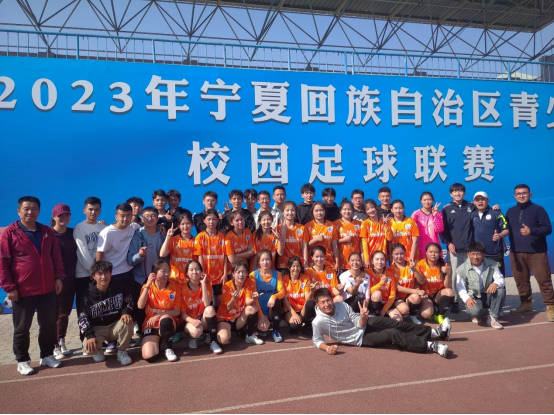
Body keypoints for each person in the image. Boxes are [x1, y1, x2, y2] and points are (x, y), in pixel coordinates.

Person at [0, 196, 65, 376]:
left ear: (39, 211)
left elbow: (56, 256)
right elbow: (3, 262)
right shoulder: (10, 233)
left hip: (47, 288)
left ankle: (46, 355)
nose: (30, 212)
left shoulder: (46, 231)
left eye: (34, 209)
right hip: (22, 290)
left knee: (48, 325)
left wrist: (59, 277)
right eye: (26, 209)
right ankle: (22, 360)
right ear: (18, 211)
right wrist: (9, 287)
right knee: (22, 328)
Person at [312, 288, 451, 358]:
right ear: (317, 304)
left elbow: (358, 323)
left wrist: (363, 317)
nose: (327, 304)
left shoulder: (342, 305)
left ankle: (436, 332)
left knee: (394, 323)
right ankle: (431, 345)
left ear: (332, 299)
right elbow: (317, 340)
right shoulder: (318, 321)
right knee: (392, 334)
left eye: (328, 300)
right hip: (359, 338)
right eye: (322, 302)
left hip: (364, 324)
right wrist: (327, 348)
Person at [506, 184, 553, 321]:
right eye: (518, 194)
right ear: (515, 196)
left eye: (524, 193)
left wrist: (531, 231)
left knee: (544, 280)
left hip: (536, 252)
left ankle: (551, 306)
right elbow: (505, 227)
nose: (521, 195)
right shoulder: (510, 211)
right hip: (516, 253)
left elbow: (548, 229)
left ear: (530, 194)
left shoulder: (539, 210)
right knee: (521, 281)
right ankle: (526, 305)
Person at [79, 260, 134, 366]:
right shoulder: (87, 295)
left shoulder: (118, 285)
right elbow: (83, 318)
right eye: (99, 274)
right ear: (93, 276)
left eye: (106, 273)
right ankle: (99, 350)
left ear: (110, 273)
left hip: (116, 325)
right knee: (88, 347)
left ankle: (121, 351)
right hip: (98, 328)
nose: (103, 277)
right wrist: (89, 335)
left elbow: (129, 300)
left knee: (128, 322)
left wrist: (126, 312)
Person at [127, 206, 165, 337]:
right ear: (142, 219)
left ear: (158, 218)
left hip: (159, 280)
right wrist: (139, 255)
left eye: (153, 216)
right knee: (141, 307)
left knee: (159, 306)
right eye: (147, 216)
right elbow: (130, 260)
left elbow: (166, 257)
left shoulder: (163, 235)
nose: (150, 219)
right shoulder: (136, 236)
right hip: (141, 279)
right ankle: (142, 332)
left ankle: (160, 330)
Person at [137, 260, 181, 363]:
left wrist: (159, 315)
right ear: (154, 273)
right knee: (149, 356)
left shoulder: (174, 287)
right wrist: (147, 285)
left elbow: (177, 311)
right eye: (163, 271)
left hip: (169, 322)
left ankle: (169, 349)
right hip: (151, 325)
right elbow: (140, 306)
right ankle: (160, 340)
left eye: (168, 271)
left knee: (165, 319)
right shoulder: (147, 287)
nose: (167, 274)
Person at [441, 183, 474, 314]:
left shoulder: (471, 205)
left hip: (469, 249)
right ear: (451, 194)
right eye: (454, 191)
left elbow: (484, 211)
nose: (457, 193)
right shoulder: (446, 208)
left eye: (460, 191)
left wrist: (495, 208)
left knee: (469, 274)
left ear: (464, 192)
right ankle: (455, 301)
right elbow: (442, 229)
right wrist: (448, 243)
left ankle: (470, 299)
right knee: (454, 275)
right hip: (453, 249)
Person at [456, 242, 506, 329]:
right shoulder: (461, 269)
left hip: (488, 294)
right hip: (474, 297)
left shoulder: (493, 264)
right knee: (475, 311)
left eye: (478, 254)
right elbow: (460, 287)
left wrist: (495, 283)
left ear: (483, 255)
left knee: (500, 290)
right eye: (473, 254)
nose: (475, 257)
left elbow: (501, 279)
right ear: (468, 254)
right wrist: (467, 299)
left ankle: (493, 317)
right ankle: (478, 314)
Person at [51, 204, 78, 360]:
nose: (64, 218)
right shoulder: (49, 234)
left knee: (65, 312)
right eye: (60, 215)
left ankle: (61, 341)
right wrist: (56, 278)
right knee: (56, 313)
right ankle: (54, 345)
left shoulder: (73, 233)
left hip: (72, 278)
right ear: (54, 217)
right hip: (56, 280)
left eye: (67, 215)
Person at [216, 260, 264, 346]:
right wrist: (233, 299)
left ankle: (250, 335)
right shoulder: (227, 286)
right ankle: (222, 333)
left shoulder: (249, 282)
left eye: (243, 272)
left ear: (247, 273)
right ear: (233, 274)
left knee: (252, 308)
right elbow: (229, 308)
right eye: (238, 272)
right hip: (225, 319)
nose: (241, 275)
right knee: (224, 340)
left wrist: (253, 299)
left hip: (238, 319)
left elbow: (247, 301)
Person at [74, 197, 107, 322]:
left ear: (100, 211)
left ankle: (99, 331)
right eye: (90, 209)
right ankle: (85, 331)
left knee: (99, 305)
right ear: (84, 211)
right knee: (84, 306)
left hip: (100, 274)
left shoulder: (103, 228)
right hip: (84, 274)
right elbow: (82, 251)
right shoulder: (79, 228)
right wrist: (94, 272)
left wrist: (100, 272)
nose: (93, 212)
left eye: (96, 210)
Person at [180, 260, 222, 354]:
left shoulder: (207, 283)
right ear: (187, 273)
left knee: (210, 309)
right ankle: (192, 338)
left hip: (202, 319)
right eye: (191, 270)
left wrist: (203, 284)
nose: (194, 272)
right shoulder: (182, 289)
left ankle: (213, 341)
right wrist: (192, 321)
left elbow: (207, 304)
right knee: (196, 332)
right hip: (189, 320)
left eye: (197, 269)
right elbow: (183, 314)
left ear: (201, 271)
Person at [412, 243, 454, 327]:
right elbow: (419, 282)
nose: (433, 254)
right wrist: (419, 292)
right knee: (426, 314)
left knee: (450, 292)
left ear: (440, 253)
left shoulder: (445, 265)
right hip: (426, 295)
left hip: (438, 295)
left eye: (436, 252)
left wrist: (448, 274)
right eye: (431, 252)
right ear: (426, 253)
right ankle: (433, 313)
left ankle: (440, 315)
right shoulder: (420, 265)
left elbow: (447, 286)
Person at [96, 203, 136, 287]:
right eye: (122, 216)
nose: (125, 219)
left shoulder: (133, 227)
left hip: (128, 271)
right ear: (116, 217)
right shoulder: (107, 233)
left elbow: (147, 228)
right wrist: (100, 273)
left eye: (128, 215)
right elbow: (99, 254)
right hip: (113, 274)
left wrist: (161, 226)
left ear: (132, 216)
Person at [471, 192, 510, 277]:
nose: (480, 201)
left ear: (487, 201)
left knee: (498, 279)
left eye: (482, 199)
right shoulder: (472, 215)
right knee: (482, 280)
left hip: (494, 253)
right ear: (474, 202)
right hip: (479, 254)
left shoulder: (496, 212)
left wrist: (499, 235)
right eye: (477, 200)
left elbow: (506, 229)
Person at [250, 250, 285, 343]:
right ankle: (256, 327)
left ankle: (275, 330)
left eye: (267, 259)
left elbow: (282, 292)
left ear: (271, 261)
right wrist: (261, 316)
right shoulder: (253, 275)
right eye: (262, 260)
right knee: (264, 330)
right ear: (259, 262)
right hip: (259, 310)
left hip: (271, 308)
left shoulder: (277, 274)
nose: (265, 262)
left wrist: (273, 296)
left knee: (277, 301)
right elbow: (254, 297)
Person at [194, 209, 227, 306]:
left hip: (220, 276)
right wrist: (202, 273)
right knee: (208, 303)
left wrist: (225, 274)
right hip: (206, 276)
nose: (211, 222)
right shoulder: (200, 237)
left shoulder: (222, 236)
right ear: (204, 220)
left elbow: (225, 257)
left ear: (218, 220)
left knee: (220, 302)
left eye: (214, 219)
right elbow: (200, 257)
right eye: (209, 219)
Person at [386, 244, 426, 325]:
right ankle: (394, 311)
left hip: (409, 296)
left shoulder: (411, 265)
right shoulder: (390, 270)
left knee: (416, 297)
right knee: (405, 310)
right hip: (397, 298)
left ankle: (413, 315)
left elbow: (422, 281)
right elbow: (397, 288)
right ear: (392, 255)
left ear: (405, 253)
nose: (399, 256)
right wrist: (416, 291)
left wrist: (414, 270)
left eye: (401, 253)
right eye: (396, 254)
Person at [282, 257, 317, 336]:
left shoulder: (305, 278)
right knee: (294, 327)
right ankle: (296, 324)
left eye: (298, 266)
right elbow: (284, 300)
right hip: (290, 311)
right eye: (293, 266)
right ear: (289, 267)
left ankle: (307, 327)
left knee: (310, 303)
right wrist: (294, 314)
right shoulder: (284, 279)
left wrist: (311, 291)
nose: (296, 268)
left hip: (302, 310)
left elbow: (307, 299)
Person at [365, 251, 402, 321]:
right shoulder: (367, 273)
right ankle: (376, 315)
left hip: (386, 303)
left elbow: (392, 295)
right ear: (372, 261)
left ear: (385, 261)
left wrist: (384, 310)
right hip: (373, 303)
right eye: (377, 259)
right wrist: (381, 283)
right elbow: (369, 292)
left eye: (382, 259)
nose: (380, 262)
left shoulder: (390, 274)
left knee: (399, 319)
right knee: (377, 294)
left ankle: (384, 318)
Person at [304, 202, 340, 272]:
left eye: (321, 210)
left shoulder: (331, 225)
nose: (319, 213)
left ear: (325, 211)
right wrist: (316, 239)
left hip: (329, 261)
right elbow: (305, 246)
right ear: (312, 212)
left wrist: (337, 261)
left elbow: (334, 245)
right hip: (313, 262)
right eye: (316, 211)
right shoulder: (307, 226)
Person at [160, 210, 196, 279]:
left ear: (192, 224)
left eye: (188, 223)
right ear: (179, 226)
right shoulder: (173, 240)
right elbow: (162, 254)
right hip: (174, 278)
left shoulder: (196, 241)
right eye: (182, 224)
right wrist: (168, 237)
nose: (185, 226)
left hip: (190, 279)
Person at [360, 199, 392, 269]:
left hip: (382, 259)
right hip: (371, 259)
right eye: (368, 209)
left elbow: (389, 238)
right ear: (365, 212)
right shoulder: (365, 223)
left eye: (372, 207)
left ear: (376, 207)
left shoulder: (384, 222)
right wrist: (367, 259)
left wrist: (386, 225)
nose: (371, 210)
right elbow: (364, 243)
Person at [277, 201, 308, 272]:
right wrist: (283, 232)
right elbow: (280, 251)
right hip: (283, 264)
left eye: (292, 210)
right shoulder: (278, 228)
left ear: (296, 212)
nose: (290, 213)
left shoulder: (302, 228)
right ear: (283, 212)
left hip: (299, 264)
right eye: (287, 210)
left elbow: (304, 247)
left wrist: (306, 264)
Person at [412, 192, 444, 261]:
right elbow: (412, 232)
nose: (427, 202)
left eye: (429, 199)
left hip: (434, 245)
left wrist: (435, 215)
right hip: (420, 246)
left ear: (432, 200)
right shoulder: (416, 214)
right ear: (421, 201)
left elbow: (439, 229)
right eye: (424, 200)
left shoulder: (438, 213)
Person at [334, 200, 361, 273]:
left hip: (356, 262)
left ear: (352, 211)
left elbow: (361, 242)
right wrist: (343, 240)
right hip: (342, 261)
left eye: (349, 209)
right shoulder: (335, 224)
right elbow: (332, 243)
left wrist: (363, 256)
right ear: (340, 211)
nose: (347, 211)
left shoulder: (358, 224)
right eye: (344, 209)